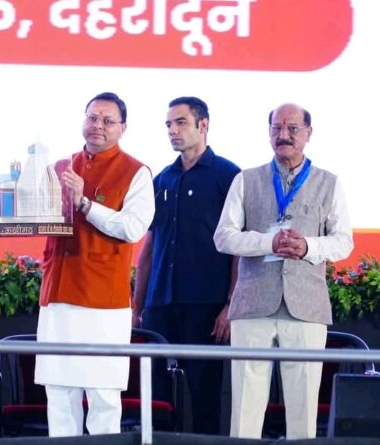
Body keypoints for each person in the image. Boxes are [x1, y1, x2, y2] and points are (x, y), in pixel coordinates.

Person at [214, 103, 353, 439]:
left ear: (308, 133)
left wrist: (308, 247)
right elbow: (223, 237)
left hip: (306, 306)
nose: (283, 135)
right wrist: (268, 243)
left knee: (303, 407)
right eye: (276, 128)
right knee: (245, 405)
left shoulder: (329, 183)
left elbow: (343, 242)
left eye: (292, 128)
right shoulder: (245, 180)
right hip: (253, 303)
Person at [34, 92, 155, 437]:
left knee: (103, 398)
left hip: (103, 302)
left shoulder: (136, 172)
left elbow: (133, 228)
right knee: (59, 395)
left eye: (107, 120)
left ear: (123, 128)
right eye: (92, 117)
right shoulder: (60, 166)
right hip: (57, 296)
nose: (97, 126)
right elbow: (38, 217)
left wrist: (84, 203)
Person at [132, 96, 240, 434]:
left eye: (180, 122)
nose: (172, 130)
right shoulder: (163, 178)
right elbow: (150, 245)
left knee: (204, 396)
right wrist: (136, 306)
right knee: (158, 398)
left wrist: (231, 305)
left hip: (206, 306)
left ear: (203, 124)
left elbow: (239, 249)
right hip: (160, 304)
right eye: (168, 124)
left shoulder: (229, 176)